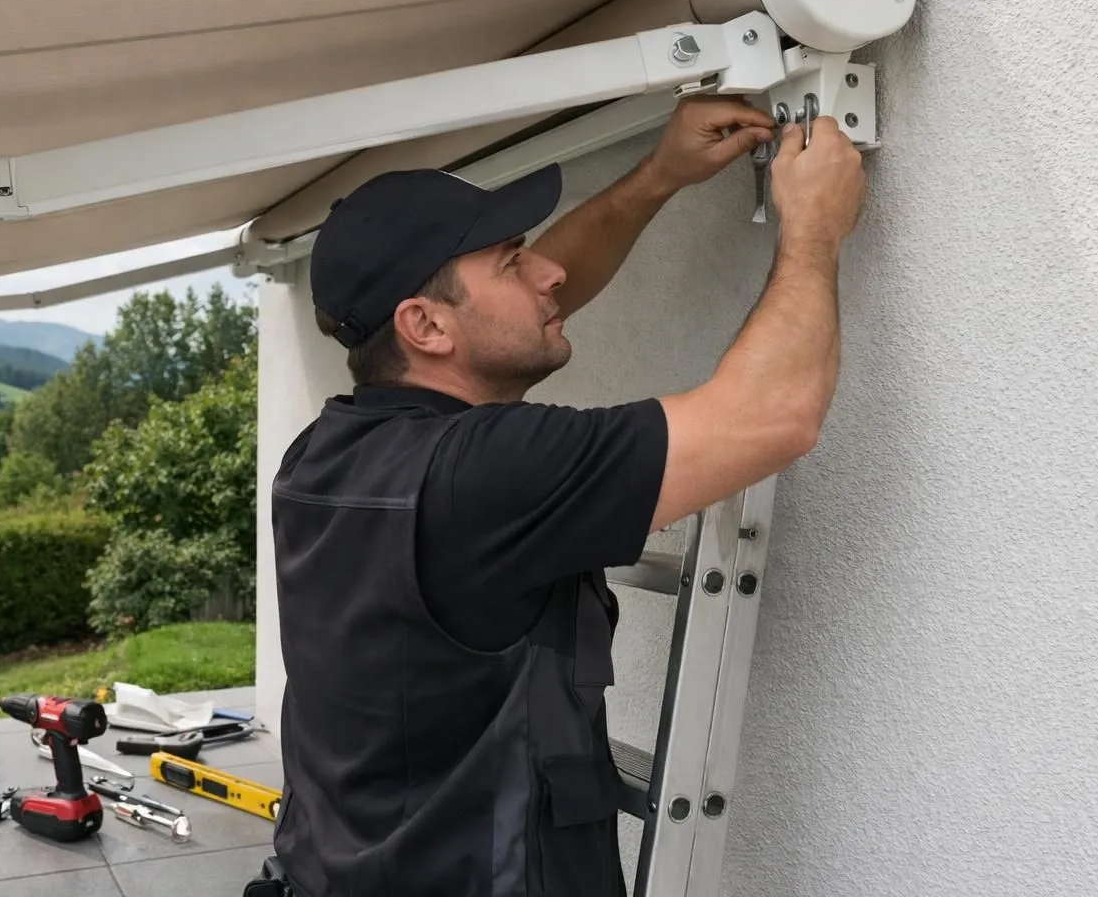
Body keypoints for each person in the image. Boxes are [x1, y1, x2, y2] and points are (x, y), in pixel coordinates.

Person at [265, 96, 867, 897]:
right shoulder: (484, 473)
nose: (548, 272)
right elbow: (774, 414)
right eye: (512, 260)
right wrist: (815, 227)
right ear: (425, 328)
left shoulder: (324, 455)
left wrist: (657, 177)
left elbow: (516, 311)